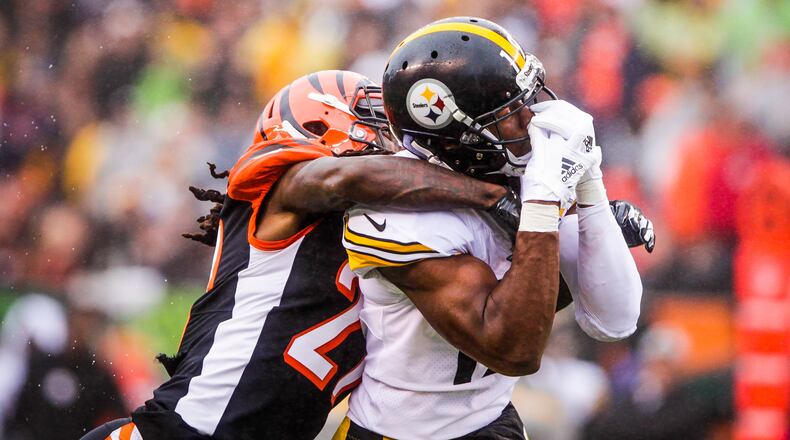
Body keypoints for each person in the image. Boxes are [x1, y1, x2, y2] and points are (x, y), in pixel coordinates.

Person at [81, 70, 524, 440]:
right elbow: (344, 179)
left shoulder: (388, 225)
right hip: (186, 430)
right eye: (373, 118)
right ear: (319, 122)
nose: (392, 138)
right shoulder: (282, 191)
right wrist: (491, 197)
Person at [334, 17, 643, 439]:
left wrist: (591, 184)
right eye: (510, 113)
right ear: (455, 135)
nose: (530, 119)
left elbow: (616, 319)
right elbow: (514, 349)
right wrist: (542, 197)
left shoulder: (511, 174)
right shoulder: (400, 215)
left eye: (527, 98)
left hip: (494, 421)